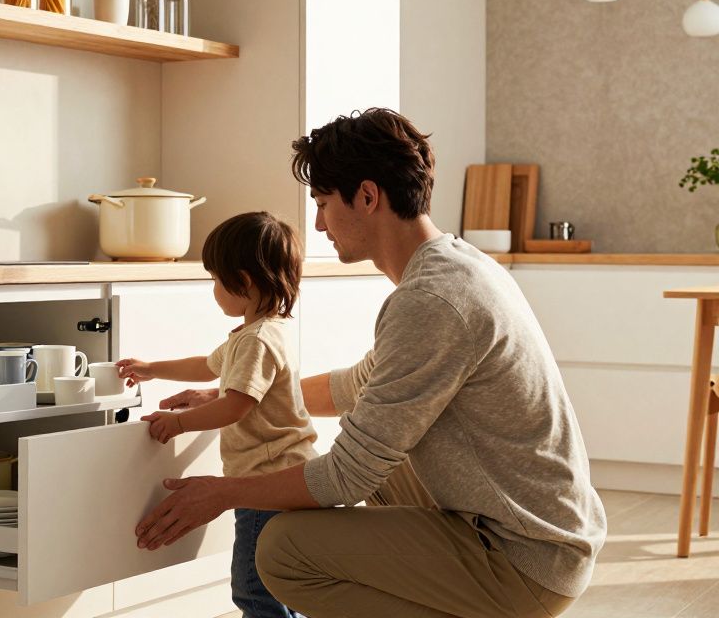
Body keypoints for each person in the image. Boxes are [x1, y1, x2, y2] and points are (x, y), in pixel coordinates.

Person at [132, 108, 607, 618]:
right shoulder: (454, 266)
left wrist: (221, 493)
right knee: (383, 452)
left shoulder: (433, 299)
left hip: (524, 560)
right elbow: (363, 386)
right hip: (542, 534)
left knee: (283, 549)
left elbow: (345, 477)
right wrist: (243, 395)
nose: (317, 223)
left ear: (367, 196)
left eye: (322, 203)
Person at [118, 211, 315, 618]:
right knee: (282, 586)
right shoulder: (264, 330)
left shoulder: (255, 340)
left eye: (214, 279)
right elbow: (209, 366)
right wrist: (153, 368)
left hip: (265, 487)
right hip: (285, 480)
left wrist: (179, 423)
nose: (212, 288)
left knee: (255, 590)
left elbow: (236, 405)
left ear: (241, 282)